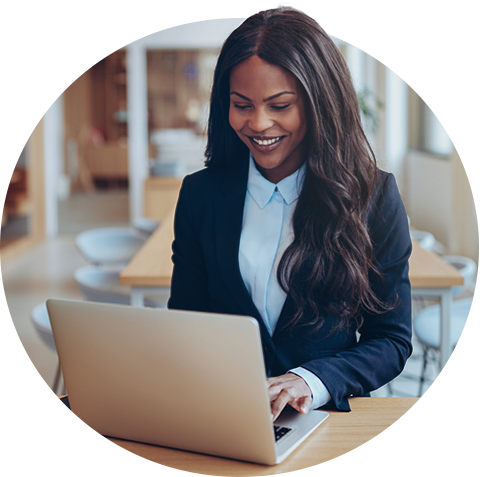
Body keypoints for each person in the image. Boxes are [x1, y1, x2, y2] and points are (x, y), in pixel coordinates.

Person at [168, 4, 412, 418]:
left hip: (324, 419)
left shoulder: (373, 196)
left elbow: (390, 340)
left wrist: (310, 381)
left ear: (320, 103)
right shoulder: (200, 195)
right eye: (241, 104)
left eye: (280, 105)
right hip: (222, 414)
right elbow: (188, 321)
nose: (259, 124)